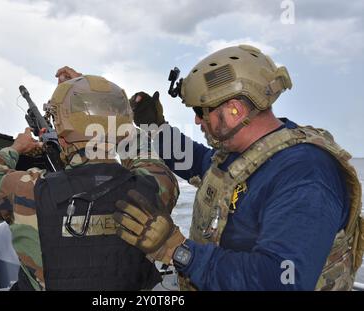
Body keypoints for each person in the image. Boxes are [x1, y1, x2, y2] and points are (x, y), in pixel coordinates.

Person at [112, 44, 364, 290]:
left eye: (201, 110)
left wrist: (176, 249)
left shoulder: (305, 175)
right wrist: (156, 127)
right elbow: (197, 163)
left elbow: (282, 281)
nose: (197, 119)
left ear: (236, 110)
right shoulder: (242, 155)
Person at [0, 72, 179, 290]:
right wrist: (104, 107)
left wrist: (15, 149)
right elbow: (143, 153)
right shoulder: (157, 186)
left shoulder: (28, 190)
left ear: (61, 132)